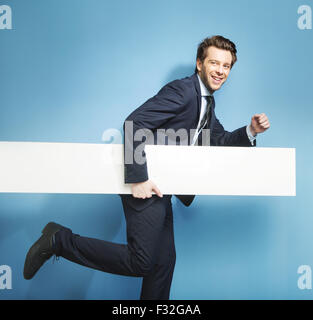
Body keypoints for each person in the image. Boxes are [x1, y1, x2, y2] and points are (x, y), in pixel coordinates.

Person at [23, 35, 270, 300]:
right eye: (214, 63)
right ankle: (58, 240)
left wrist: (250, 131)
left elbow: (218, 140)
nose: (220, 71)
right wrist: (138, 179)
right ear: (199, 63)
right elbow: (134, 123)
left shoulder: (206, 102)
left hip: (163, 188)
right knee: (141, 262)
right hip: (145, 184)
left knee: (163, 264)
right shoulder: (184, 91)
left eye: (226, 66)